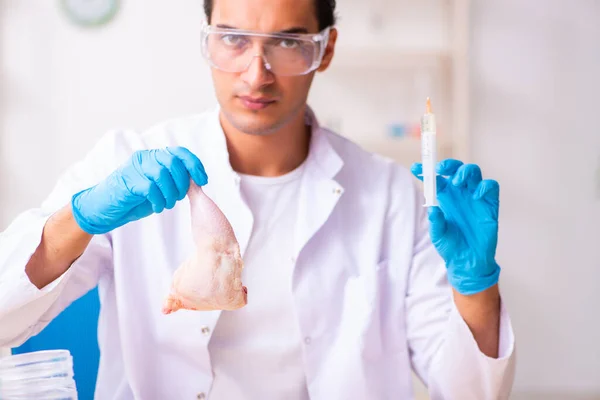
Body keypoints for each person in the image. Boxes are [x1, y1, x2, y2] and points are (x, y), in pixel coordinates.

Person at [0, 0, 516, 398]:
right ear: (206, 40)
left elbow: (467, 392)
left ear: (325, 49)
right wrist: (81, 217)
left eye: (288, 43)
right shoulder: (127, 162)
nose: (256, 73)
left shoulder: (391, 197)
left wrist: (476, 287)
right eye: (233, 39)